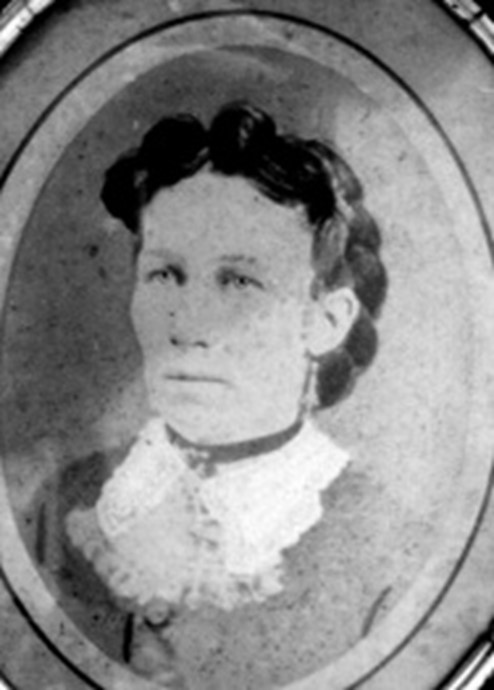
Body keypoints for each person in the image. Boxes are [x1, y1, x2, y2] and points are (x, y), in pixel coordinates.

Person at [29, 102, 387, 688]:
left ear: (325, 320)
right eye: (164, 275)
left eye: (239, 281)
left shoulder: (382, 556)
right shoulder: (62, 500)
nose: (187, 325)